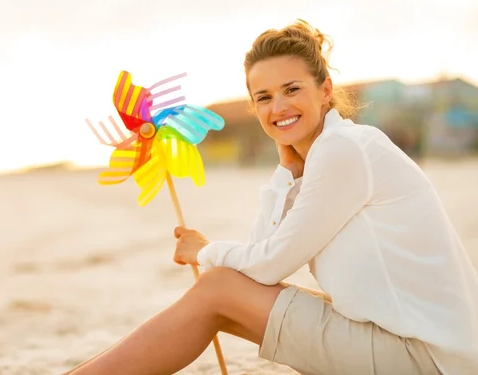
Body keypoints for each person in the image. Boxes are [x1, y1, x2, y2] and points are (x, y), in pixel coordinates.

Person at [63, 20, 478, 375]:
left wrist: (204, 252)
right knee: (222, 291)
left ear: (325, 90)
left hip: (424, 359)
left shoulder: (344, 150)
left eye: (291, 89)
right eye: (263, 97)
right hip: (412, 348)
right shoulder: (322, 157)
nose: (278, 106)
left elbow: (268, 264)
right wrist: (286, 173)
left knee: (217, 288)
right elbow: (260, 254)